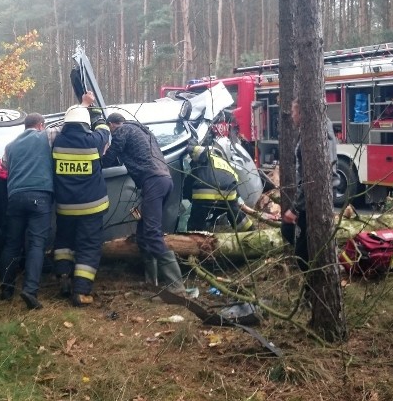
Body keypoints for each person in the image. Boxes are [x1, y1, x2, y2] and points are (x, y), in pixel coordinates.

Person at [103, 112, 185, 293]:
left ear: (112, 124)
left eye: (110, 129)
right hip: (164, 180)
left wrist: (98, 158)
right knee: (143, 233)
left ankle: (176, 286)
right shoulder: (145, 132)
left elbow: (110, 157)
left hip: (153, 182)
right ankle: (151, 283)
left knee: (152, 232)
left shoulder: (122, 130)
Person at [52, 92, 111, 307]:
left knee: (63, 243)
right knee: (89, 246)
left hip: (65, 206)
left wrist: (81, 104)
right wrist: (94, 109)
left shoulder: (57, 141)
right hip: (91, 207)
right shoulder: (93, 141)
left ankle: (63, 278)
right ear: (86, 124)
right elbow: (104, 129)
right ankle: (81, 291)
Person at [0, 113, 59, 310]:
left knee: (11, 244)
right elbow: (64, 128)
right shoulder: (45, 136)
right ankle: (30, 290)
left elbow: (4, 165)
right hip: (39, 195)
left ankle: (6, 289)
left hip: (14, 197)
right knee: (36, 244)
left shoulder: (10, 146)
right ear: (40, 125)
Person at [281, 99, 339, 273]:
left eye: (293, 112)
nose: (291, 116)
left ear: (301, 112)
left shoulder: (319, 131)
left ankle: (314, 286)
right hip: (310, 198)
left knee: (302, 251)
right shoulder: (309, 130)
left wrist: (295, 208)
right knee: (290, 232)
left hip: (316, 198)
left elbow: (312, 176)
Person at [185, 144, 255, 233]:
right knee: (236, 215)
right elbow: (235, 188)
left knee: (197, 218)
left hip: (204, 191)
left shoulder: (207, 154)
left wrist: (190, 144)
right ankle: (251, 233)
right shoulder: (227, 165)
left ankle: (193, 237)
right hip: (228, 193)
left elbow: (195, 150)